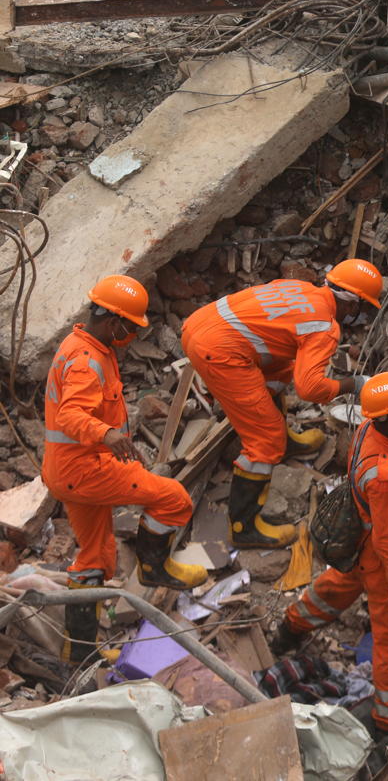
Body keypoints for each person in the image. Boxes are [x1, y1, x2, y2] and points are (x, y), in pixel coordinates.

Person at [42, 275, 208, 664]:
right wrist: (107, 434)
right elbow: (70, 415)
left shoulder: (81, 344)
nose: (133, 334)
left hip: (65, 469)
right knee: (174, 499)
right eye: (131, 327)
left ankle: (77, 652)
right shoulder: (86, 361)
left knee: (95, 557)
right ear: (113, 320)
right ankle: (154, 568)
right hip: (84, 470)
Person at [270, 372, 388, 738]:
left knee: (336, 587)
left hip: (361, 543)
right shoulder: (384, 476)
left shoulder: (371, 427)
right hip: (384, 557)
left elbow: (369, 390)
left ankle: (290, 628)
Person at [181, 259, 384, 550]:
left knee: (282, 367)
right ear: (353, 304)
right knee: (265, 441)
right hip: (220, 352)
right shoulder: (324, 327)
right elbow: (310, 389)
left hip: (201, 323)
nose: (361, 316)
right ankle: (244, 528)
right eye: (363, 308)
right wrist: (356, 384)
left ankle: (282, 437)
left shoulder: (300, 288)